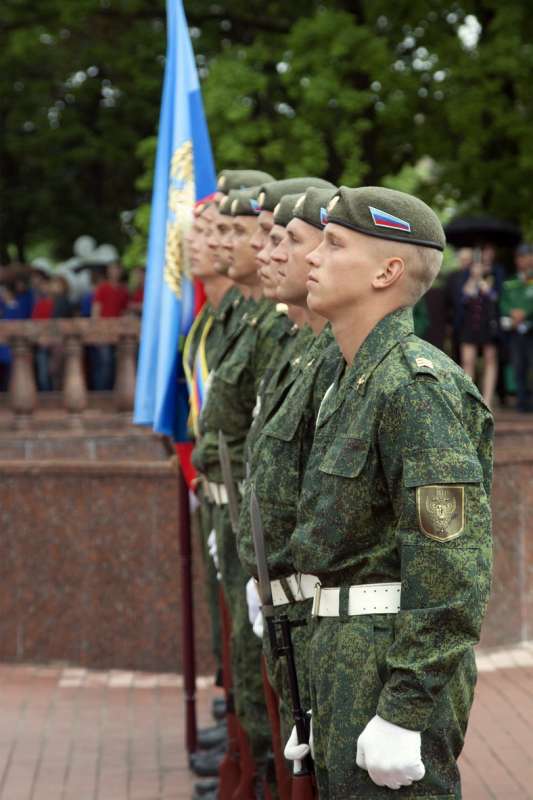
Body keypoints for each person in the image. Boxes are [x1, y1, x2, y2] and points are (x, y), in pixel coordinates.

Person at [283, 186, 493, 798]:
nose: (313, 258)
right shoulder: (348, 380)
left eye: (334, 243)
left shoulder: (414, 388)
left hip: (389, 666)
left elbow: (452, 566)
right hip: (342, 658)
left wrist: (405, 709)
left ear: (388, 271)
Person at [458, 256, 500, 408]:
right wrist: (473, 279)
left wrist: (484, 285)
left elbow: (495, 298)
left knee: (490, 360)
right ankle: (470, 400)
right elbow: (463, 298)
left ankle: (487, 400)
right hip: (470, 326)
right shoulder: (466, 279)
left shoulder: (494, 278)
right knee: (467, 361)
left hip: (488, 326)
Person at [500, 243, 533, 412]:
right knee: (518, 365)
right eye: (520, 257)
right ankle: (522, 403)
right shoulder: (510, 281)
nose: (523, 260)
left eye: (527, 256)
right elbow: (503, 302)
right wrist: (512, 313)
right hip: (515, 331)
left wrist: (525, 313)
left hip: (531, 329)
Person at [91, 261, 129, 389]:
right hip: (103, 331)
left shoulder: (124, 290)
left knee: (116, 363)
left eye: (117, 269)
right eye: (112, 269)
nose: (115, 272)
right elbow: (96, 309)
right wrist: (96, 330)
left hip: (118, 332)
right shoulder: (102, 288)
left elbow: (124, 311)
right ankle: (101, 390)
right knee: (104, 361)